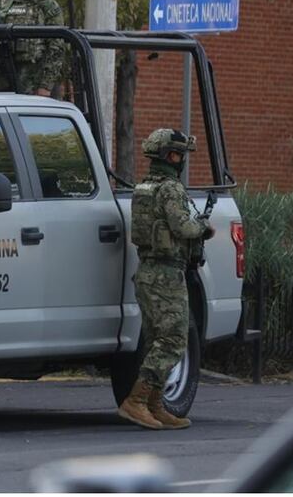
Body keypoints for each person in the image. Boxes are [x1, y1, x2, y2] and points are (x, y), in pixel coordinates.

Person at [119, 128, 215, 430]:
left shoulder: (144, 187)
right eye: (180, 154)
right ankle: (136, 401)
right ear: (170, 156)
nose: (182, 160)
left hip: (148, 272)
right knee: (174, 340)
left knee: (155, 341)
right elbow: (182, 227)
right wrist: (204, 228)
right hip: (166, 274)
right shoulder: (171, 189)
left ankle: (155, 405)